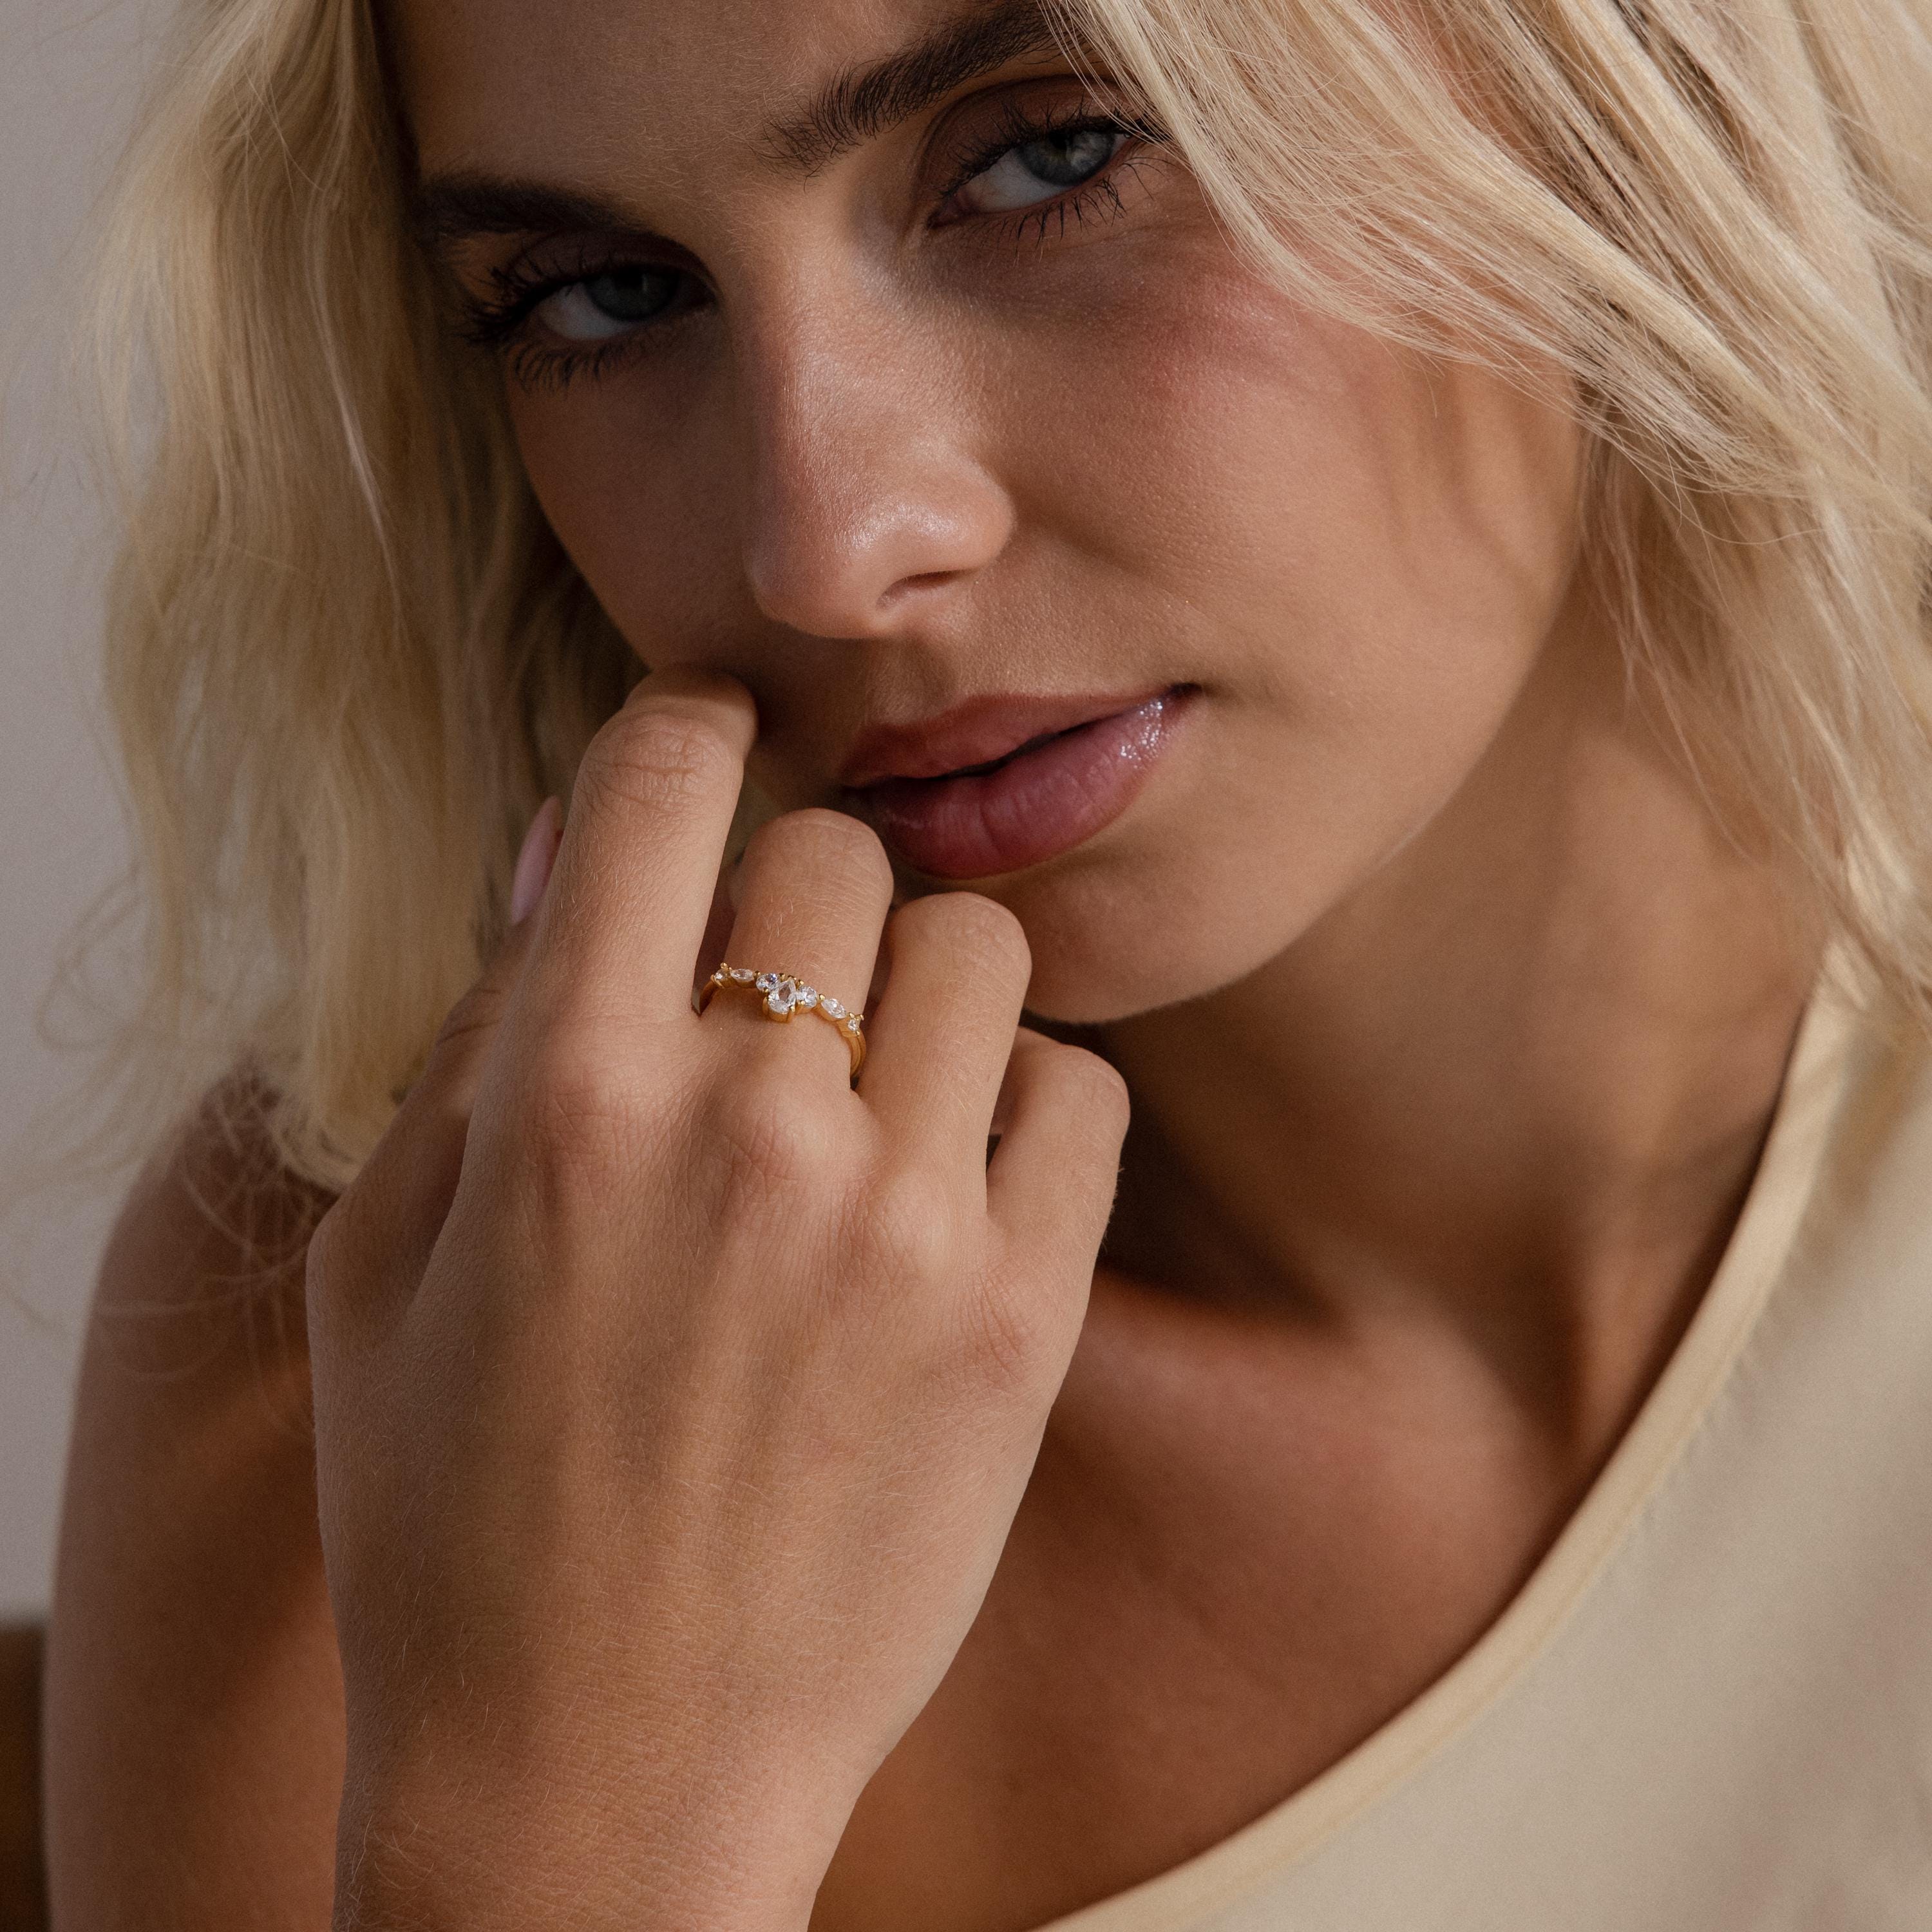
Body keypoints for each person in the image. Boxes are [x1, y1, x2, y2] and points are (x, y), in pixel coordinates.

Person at [39, 0, 1932, 1924]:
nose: (829, 547)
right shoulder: (395, 1391)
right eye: (607, 294)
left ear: (1603, 67)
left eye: (1052, 154)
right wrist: (568, 1814)